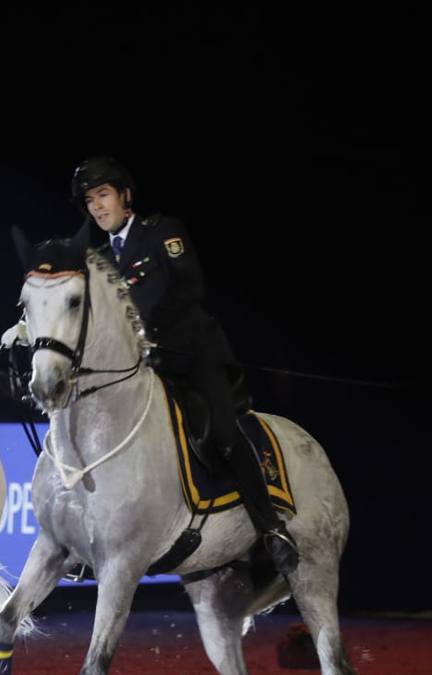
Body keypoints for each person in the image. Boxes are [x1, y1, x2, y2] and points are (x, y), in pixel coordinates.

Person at [67, 156, 300, 575]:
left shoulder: (163, 232)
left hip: (191, 356)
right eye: (90, 201)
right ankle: (90, 543)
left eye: (103, 195)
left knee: (224, 434)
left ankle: (270, 528)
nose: (97, 207)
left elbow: (189, 287)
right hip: (140, 370)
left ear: (125, 196)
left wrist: (148, 333)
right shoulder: (96, 259)